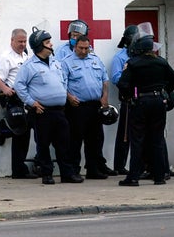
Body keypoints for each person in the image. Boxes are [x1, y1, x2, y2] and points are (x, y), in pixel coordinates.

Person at [14, 27, 83, 185]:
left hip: (60, 111)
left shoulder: (56, 63)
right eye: (47, 42)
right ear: (39, 46)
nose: (51, 44)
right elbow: (19, 86)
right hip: (42, 111)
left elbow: (63, 80)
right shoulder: (29, 66)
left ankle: (67, 174)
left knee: (64, 143)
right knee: (43, 144)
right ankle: (47, 173)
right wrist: (31, 102)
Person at [117, 34, 174, 186]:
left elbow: (123, 84)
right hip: (158, 102)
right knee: (157, 139)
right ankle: (159, 176)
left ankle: (133, 177)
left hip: (140, 103)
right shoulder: (161, 62)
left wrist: (129, 96)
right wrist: (163, 91)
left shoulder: (133, 64)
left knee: (137, 140)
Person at [61, 35, 110, 179]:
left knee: (95, 139)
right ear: (75, 47)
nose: (83, 51)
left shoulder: (95, 59)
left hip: (95, 105)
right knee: (74, 140)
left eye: (86, 48)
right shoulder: (66, 62)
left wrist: (105, 96)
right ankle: (73, 170)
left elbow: (105, 80)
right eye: (81, 48)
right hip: (77, 107)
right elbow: (61, 83)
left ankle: (93, 169)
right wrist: (69, 97)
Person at [0, 28, 36, 179]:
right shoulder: (6, 57)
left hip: (25, 98)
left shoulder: (26, 55)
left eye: (24, 41)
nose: (23, 44)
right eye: (20, 41)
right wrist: (6, 89)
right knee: (21, 132)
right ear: (12, 40)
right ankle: (18, 170)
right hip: (13, 98)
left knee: (25, 130)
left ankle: (5, 129)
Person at [109, 25, 139, 176]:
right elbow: (115, 78)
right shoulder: (120, 58)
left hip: (142, 99)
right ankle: (119, 165)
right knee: (124, 135)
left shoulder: (141, 55)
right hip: (128, 100)